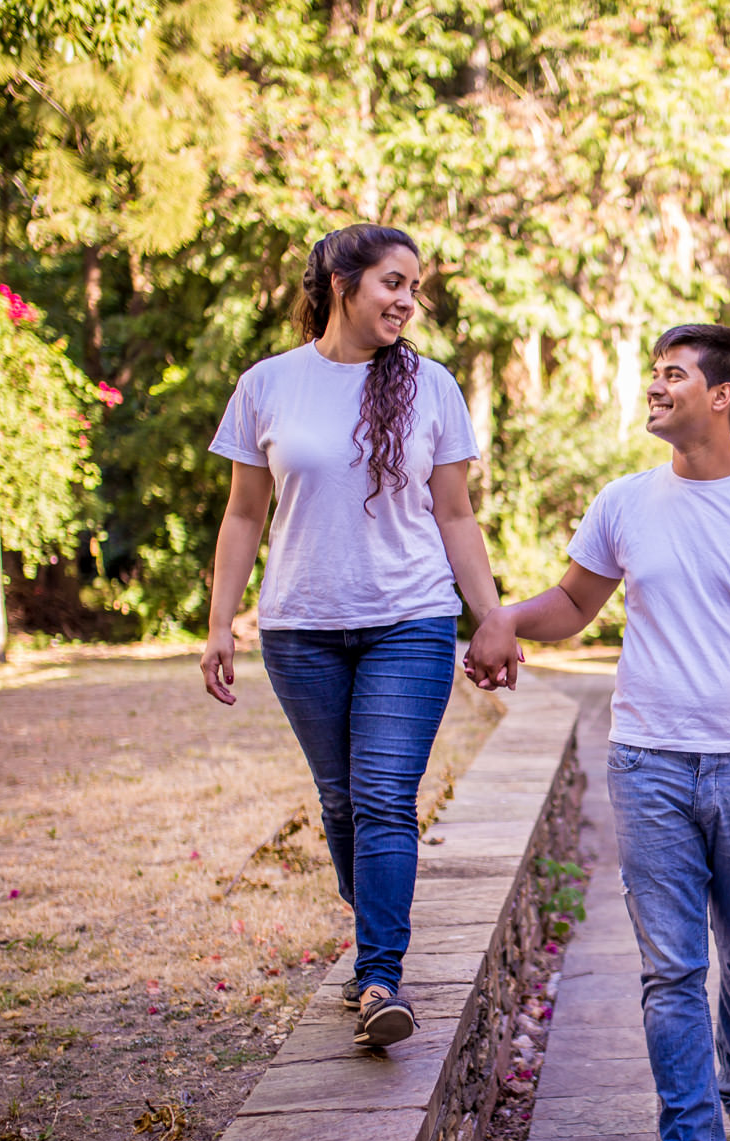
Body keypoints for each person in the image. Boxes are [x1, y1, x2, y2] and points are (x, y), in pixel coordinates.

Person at [464, 323, 730, 1141]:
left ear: (721, 396)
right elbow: (572, 603)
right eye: (654, 372)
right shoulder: (625, 502)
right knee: (671, 966)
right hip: (648, 763)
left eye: (673, 374)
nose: (654, 385)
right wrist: (502, 619)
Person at [198, 223, 504, 1050]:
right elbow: (243, 514)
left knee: (382, 796)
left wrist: (493, 616)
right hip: (300, 629)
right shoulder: (268, 384)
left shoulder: (432, 386)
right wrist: (221, 621)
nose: (408, 300)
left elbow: (455, 514)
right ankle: (373, 920)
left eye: (414, 287)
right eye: (393, 283)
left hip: (410, 619)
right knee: (343, 802)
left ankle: (379, 978)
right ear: (342, 282)